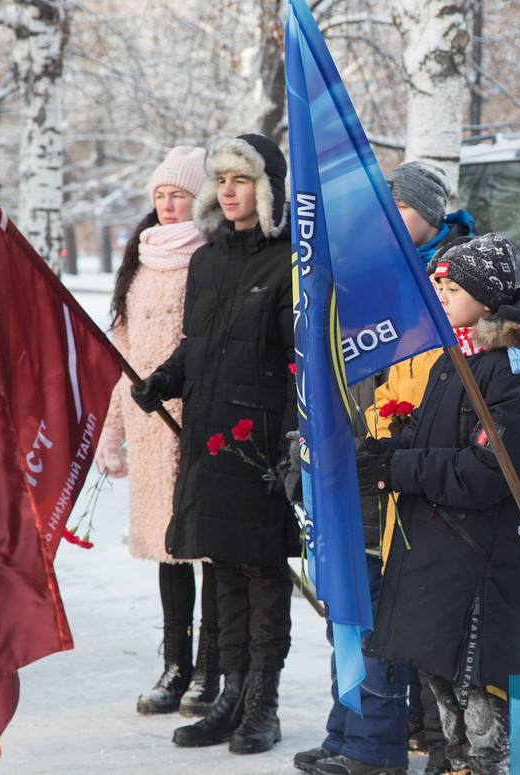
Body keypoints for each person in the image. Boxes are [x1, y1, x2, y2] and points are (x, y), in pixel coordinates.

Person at [361, 234, 520, 775]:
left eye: (452, 287)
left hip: (481, 559)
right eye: (439, 284)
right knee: (445, 700)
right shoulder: (455, 357)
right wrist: (383, 453)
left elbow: (490, 472)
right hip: (439, 554)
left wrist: (401, 469)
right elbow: (435, 441)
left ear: (486, 297)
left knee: (480, 711)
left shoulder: (513, 370)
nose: (442, 295)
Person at [293, 160, 475, 775]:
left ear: (431, 212)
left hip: (405, 468)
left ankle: (376, 745)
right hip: (356, 458)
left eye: (399, 208)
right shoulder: (372, 271)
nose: (387, 221)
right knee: (349, 602)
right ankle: (348, 732)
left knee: (377, 612)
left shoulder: (456, 279)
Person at [130, 133, 298, 756]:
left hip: (257, 446)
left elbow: (295, 362)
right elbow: (198, 344)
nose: (227, 192)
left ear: (268, 189)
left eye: (242, 180)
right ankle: (227, 697)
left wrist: (289, 444)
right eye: (221, 180)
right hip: (207, 434)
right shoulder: (208, 260)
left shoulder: (288, 263)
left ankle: (264, 703)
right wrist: (164, 381)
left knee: (260, 572)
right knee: (222, 569)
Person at [94, 146, 222, 717]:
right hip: (150, 429)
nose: (169, 206)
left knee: (211, 550)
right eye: (161, 196)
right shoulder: (139, 258)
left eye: (180, 196)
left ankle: (209, 668)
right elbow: (122, 354)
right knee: (171, 551)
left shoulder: (214, 255)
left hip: (199, 422)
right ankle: (174, 662)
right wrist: (112, 433)